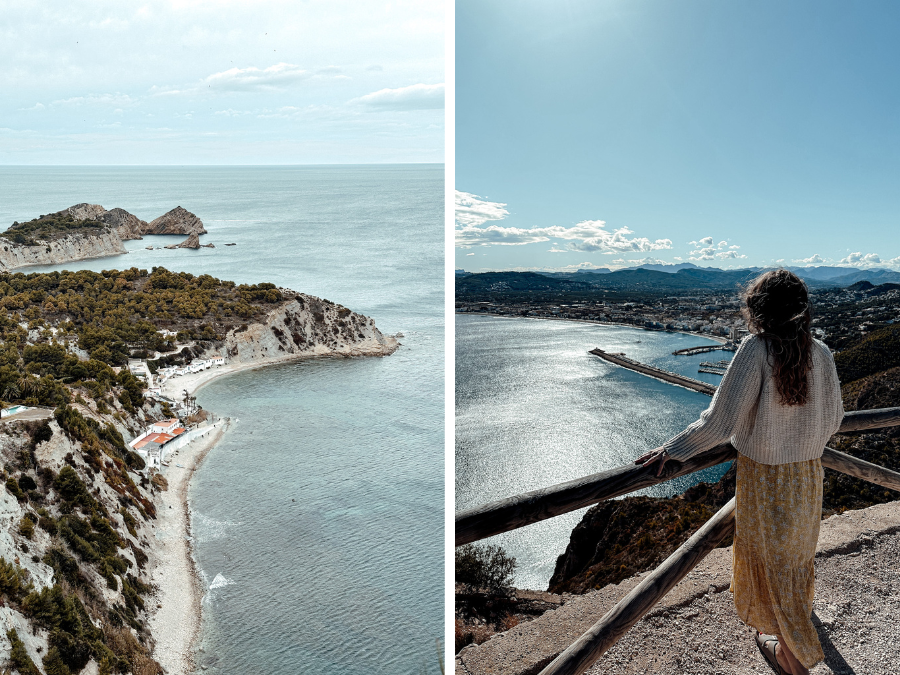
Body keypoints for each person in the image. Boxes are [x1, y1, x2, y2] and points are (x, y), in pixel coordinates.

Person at [634, 269, 844, 675]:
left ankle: (796, 662)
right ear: (803, 310)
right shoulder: (821, 351)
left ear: (759, 309)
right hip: (807, 477)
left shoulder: (755, 350)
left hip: (765, 480)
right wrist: (800, 438)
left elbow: (719, 423)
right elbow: (834, 420)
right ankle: (785, 649)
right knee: (792, 565)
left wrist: (672, 450)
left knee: (771, 568)